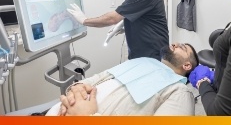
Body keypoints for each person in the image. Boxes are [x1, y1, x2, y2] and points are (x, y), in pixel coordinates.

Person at [45, 42, 199, 116]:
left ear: (186, 65)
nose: (175, 44)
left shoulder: (179, 92)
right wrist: (77, 87)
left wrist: (88, 116)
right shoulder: (143, 61)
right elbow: (103, 76)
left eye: (182, 48)